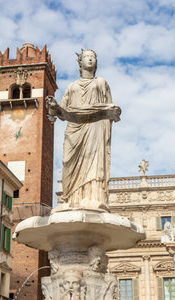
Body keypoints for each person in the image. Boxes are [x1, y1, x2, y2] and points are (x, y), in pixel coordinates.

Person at [46, 50, 121, 211]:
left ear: (96, 62)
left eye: (93, 57)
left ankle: (93, 197)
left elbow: (110, 106)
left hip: (95, 127)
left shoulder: (101, 83)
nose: (90, 59)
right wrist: (53, 107)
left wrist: (112, 112)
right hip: (74, 129)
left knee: (93, 161)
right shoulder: (72, 87)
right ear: (80, 62)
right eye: (86, 56)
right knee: (68, 163)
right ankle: (71, 199)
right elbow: (61, 112)